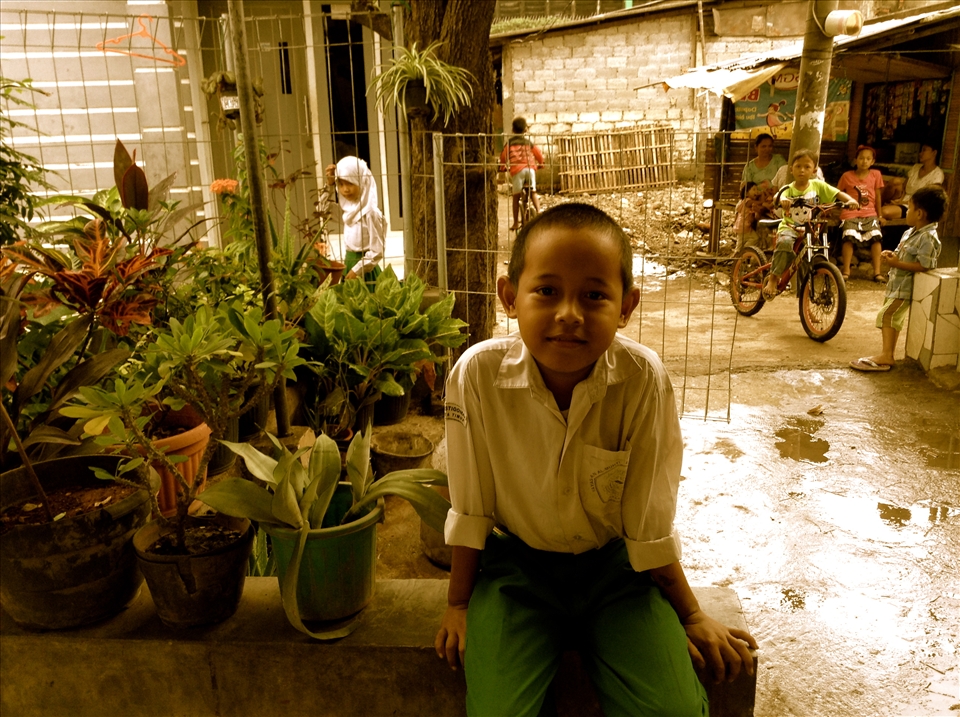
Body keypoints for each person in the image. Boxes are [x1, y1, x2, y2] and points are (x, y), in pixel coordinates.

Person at [434, 203, 758, 716]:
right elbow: (470, 504)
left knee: (672, 710)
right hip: (517, 571)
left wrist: (691, 614)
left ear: (626, 306)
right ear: (509, 297)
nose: (569, 314)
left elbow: (647, 521)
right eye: (546, 290)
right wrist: (457, 604)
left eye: (593, 295)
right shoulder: (476, 376)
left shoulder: (642, 380)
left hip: (618, 575)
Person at [850, 185, 946, 372]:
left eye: (909, 208)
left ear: (919, 213)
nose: (907, 212)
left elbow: (925, 265)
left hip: (906, 288)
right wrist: (892, 256)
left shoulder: (928, 237)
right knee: (893, 319)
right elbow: (903, 254)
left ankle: (887, 355)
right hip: (896, 285)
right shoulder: (910, 232)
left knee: (887, 315)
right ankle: (889, 354)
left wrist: (897, 264)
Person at [762, 149, 859, 301]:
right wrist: (782, 201)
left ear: (814, 170)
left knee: (807, 262)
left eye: (807, 167)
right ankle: (774, 277)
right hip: (790, 228)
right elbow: (777, 196)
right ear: (791, 169)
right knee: (785, 243)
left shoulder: (818, 186)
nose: (802, 170)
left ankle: (805, 304)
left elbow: (838, 193)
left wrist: (850, 201)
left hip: (810, 230)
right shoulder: (788, 189)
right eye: (798, 166)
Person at [324, 156, 385, 286]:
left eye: (350, 183)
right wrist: (329, 185)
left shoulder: (370, 213)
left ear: (362, 182)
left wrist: (358, 270)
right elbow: (322, 209)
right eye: (341, 184)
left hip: (366, 270)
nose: (345, 189)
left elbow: (377, 250)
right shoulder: (348, 210)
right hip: (348, 264)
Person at [837, 145, 885, 282]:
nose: (864, 161)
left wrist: (880, 216)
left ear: (873, 162)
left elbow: (878, 196)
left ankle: (877, 272)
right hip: (850, 213)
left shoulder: (876, 174)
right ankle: (846, 271)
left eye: (868, 159)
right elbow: (837, 193)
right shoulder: (847, 176)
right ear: (855, 160)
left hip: (870, 213)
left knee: (876, 238)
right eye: (861, 158)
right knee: (849, 237)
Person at [498, 117, 544, 231]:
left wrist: (502, 167)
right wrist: (541, 163)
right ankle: (539, 212)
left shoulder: (509, 144)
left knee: (516, 197)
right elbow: (538, 154)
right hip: (530, 169)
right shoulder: (529, 143)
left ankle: (515, 223)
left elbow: (503, 157)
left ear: (513, 130)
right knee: (533, 192)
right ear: (525, 130)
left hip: (517, 171)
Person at [880, 142, 944, 221]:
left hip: (914, 206)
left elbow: (927, 199)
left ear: (934, 153)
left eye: (924, 150)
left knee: (884, 212)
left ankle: (879, 210)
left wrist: (902, 203)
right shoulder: (916, 167)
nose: (920, 153)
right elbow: (904, 187)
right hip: (902, 199)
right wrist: (899, 200)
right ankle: (876, 204)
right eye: (921, 150)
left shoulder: (937, 174)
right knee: (895, 181)